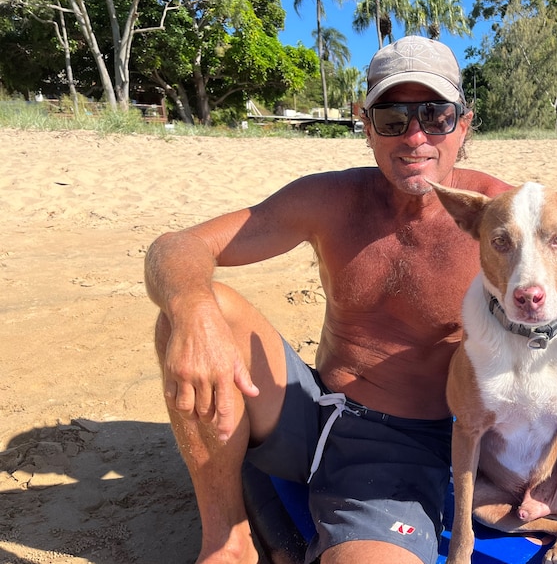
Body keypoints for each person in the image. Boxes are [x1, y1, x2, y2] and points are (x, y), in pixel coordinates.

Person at [144, 35, 512, 564]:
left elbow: (554, 321)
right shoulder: (331, 199)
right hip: (312, 409)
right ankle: (227, 540)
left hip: (403, 451)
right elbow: (176, 248)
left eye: (435, 115)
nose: (414, 136)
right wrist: (191, 310)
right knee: (197, 310)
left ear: (464, 123)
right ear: (365, 125)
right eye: (392, 117)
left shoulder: (501, 215)